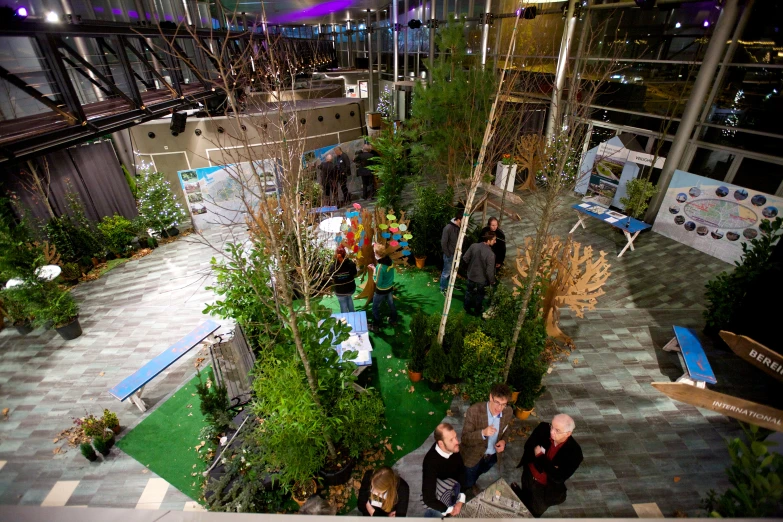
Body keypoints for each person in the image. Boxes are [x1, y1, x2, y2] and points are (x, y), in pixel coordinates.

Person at [511, 414, 583, 518]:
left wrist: (540, 456)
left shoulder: (575, 453)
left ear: (568, 433)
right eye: (552, 426)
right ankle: (521, 497)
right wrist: (550, 466)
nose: (551, 432)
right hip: (529, 473)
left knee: (535, 510)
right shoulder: (543, 427)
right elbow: (528, 446)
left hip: (544, 488)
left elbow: (558, 477)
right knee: (525, 491)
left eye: (557, 430)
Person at [460, 383, 514, 495]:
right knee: (467, 479)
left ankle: (472, 482)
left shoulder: (508, 411)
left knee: (481, 471)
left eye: (503, 404)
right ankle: (464, 489)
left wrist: (504, 441)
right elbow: (465, 438)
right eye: (497, 402)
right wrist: (482, 433)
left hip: (492, 456)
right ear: (490, 397)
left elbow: (507, 429)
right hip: (473, 456)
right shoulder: (474, 411)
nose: (500, 408)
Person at [422, 423, 467, 518]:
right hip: (439, 489)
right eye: (451, 440)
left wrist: (461, 499)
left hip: (453, 484)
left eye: (455, 437)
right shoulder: (430, 462)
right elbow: (428, 498)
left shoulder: (453, 448)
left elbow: (462, 470)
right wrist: (448, 509)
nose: (457, 442)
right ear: (441, 443)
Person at [461, 230, 496, 317]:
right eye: (494, 240)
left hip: (471, 274)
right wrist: (492, 281)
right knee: (480, 295)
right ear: (489, 240)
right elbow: (489, 271)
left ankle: (466, 307)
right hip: (481, 279)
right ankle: (477, 309)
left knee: (468, 292)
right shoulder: (491, 254)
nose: (495, 242)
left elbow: (465, 258)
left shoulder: (474, 246)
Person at [369, 243, 397, 331]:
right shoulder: (390, 261)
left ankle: (376, 325)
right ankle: (393, 320)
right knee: (391, 304)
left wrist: (374, 270)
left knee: (375, 307)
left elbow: (377, 282)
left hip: (381, 290)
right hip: (389, 288)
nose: (374, 254)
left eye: (374, 253)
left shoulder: (380, 267)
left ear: (377, 254)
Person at [439, 212, 462, 295]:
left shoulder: (459, 227)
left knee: (453, 271)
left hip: (456, 254)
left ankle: (452, 284)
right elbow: (443, 243)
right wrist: (448, 254)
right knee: (446, 273)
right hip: (450, 255)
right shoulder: (448, 228)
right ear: (459, 220)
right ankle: (442, 288)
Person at [331, 246, 357, 313]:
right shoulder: (351, 264)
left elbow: (331, 276)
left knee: (343, 304)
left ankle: (345, 320)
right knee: (348, 298)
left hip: (340, 291)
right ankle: (352, 313)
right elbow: (355, 273)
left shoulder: (333, 266)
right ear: (345, 254)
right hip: (350, 289)